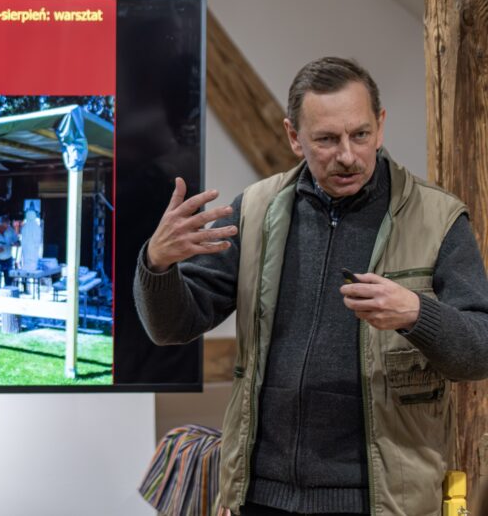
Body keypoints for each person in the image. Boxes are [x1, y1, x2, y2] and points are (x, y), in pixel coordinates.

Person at [135, 57, 488, 516]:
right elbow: (172, 327)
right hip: (262, 497)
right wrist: (157, 263)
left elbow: (480, 350)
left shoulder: (438, 218)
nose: (347, 155)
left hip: (378, 502)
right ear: (293, 136)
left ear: (380, 126)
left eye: (360, 135)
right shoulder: (256, 210)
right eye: (326, 139)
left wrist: (418, 314)